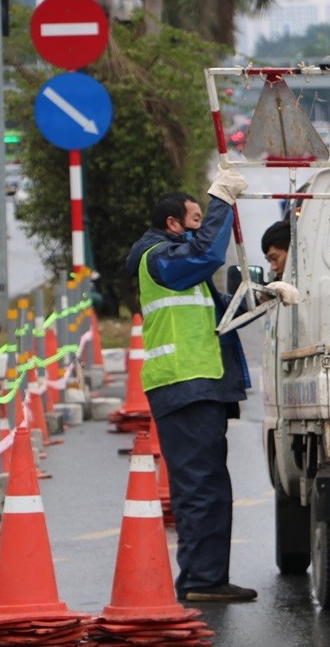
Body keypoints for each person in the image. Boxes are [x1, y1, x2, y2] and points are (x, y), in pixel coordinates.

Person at [124, 168, 299, 603]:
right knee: (201, 488)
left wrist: (263, 295)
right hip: (183, 385)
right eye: (197, 217)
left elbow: (224, 308)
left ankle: (208, 578)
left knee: (211, 487)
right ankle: (201, 581)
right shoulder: (159, 259)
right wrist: (221, 199)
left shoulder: (181, 269)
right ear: (173, 224)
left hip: (198, 387)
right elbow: (206, 253)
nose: (203, 226)